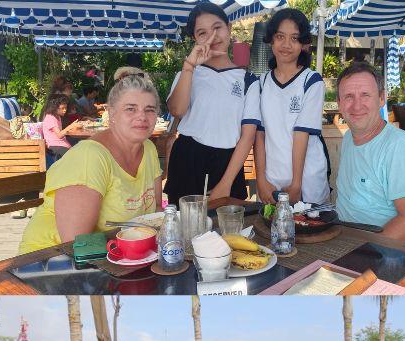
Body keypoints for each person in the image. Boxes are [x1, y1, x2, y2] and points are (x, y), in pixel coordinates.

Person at [18, 73, 163, 254]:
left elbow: (155, 209)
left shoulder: (148, 148)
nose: (142, 116)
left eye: (149, 109)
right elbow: (78, 244)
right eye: (131, 109)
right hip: (49, 260)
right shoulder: (90, 157)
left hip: (119, 256)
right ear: (112, 115)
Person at [165, 3, 260, 203]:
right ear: (195, 39)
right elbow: (177, 110)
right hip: (187, 159)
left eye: (217, 28)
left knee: (227, 230)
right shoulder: (187, 73)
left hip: (228, 163)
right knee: (184, 228)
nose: (212, 37)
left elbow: (247, 136)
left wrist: (226, 183)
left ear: (229, 28)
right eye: (202, 33)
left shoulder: (248, 80)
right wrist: (189, 65)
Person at [334, 62, 405, 247]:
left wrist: (361, 253)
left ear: (381, 99)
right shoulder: (348, 138)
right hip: (347, 243)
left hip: (398, 254)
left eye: (365, 95)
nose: (356, 105)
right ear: (339, 103)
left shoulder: (399, 147)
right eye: (348, 96)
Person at [254, 8, 331, 205]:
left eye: (295, 38)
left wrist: (297, 184)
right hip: (272, 180)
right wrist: (261, 180)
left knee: (308, 230)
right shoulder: (262, 83)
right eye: (280, 36)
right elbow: (260, 134)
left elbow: (301, 133)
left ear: (303, 44)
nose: (286, 45)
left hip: (307, 181)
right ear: (271, 39)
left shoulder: (311, 81)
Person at [40, 95, 82, 161]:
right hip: (54, 145)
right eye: (62, 108)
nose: (65, 110)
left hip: (61, 143)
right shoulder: (51, 117)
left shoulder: (57, 116)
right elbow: (59, 135)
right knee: (76, 155)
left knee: (79, 145)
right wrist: (71, 126)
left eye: (66, 108)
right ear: (54, 108)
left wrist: (74, 127)